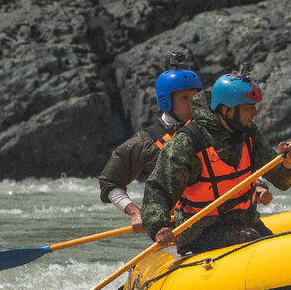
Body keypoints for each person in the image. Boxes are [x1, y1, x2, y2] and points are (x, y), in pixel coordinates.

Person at [98, 64, 274, 232]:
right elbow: (110, 182)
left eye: (195, 96)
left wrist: (257, 186)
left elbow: (227, 170)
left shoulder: (214, 130)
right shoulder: (146, 142)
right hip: (182, 229)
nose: (192, 103)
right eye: (184, 98)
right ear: (166, 100)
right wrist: (135, 212)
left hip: (229, 221)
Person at [142, 70, 291, 255]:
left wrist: (289, 161)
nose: (255, 113)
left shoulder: (249, 133)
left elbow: (281, 181)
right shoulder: (186, 143)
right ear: (227, 109)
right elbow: (158, 190)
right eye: (248, 107)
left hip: (245, 220)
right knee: (247, 238)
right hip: (200, 232)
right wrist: (159, 227)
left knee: (274, 247)